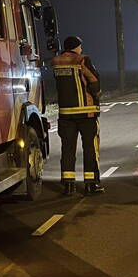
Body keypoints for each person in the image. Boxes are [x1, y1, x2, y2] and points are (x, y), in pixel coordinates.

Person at [52, 36, 104, 196]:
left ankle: (68, 185)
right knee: (90, 148)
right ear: (75, 47)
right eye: (80, 46)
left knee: (68, 148)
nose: (81, 49)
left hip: (66, 113)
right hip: (85, 112)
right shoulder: (82, 60)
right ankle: (91, 184)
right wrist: (96, 95)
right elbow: (94, 80)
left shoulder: (56, 62)